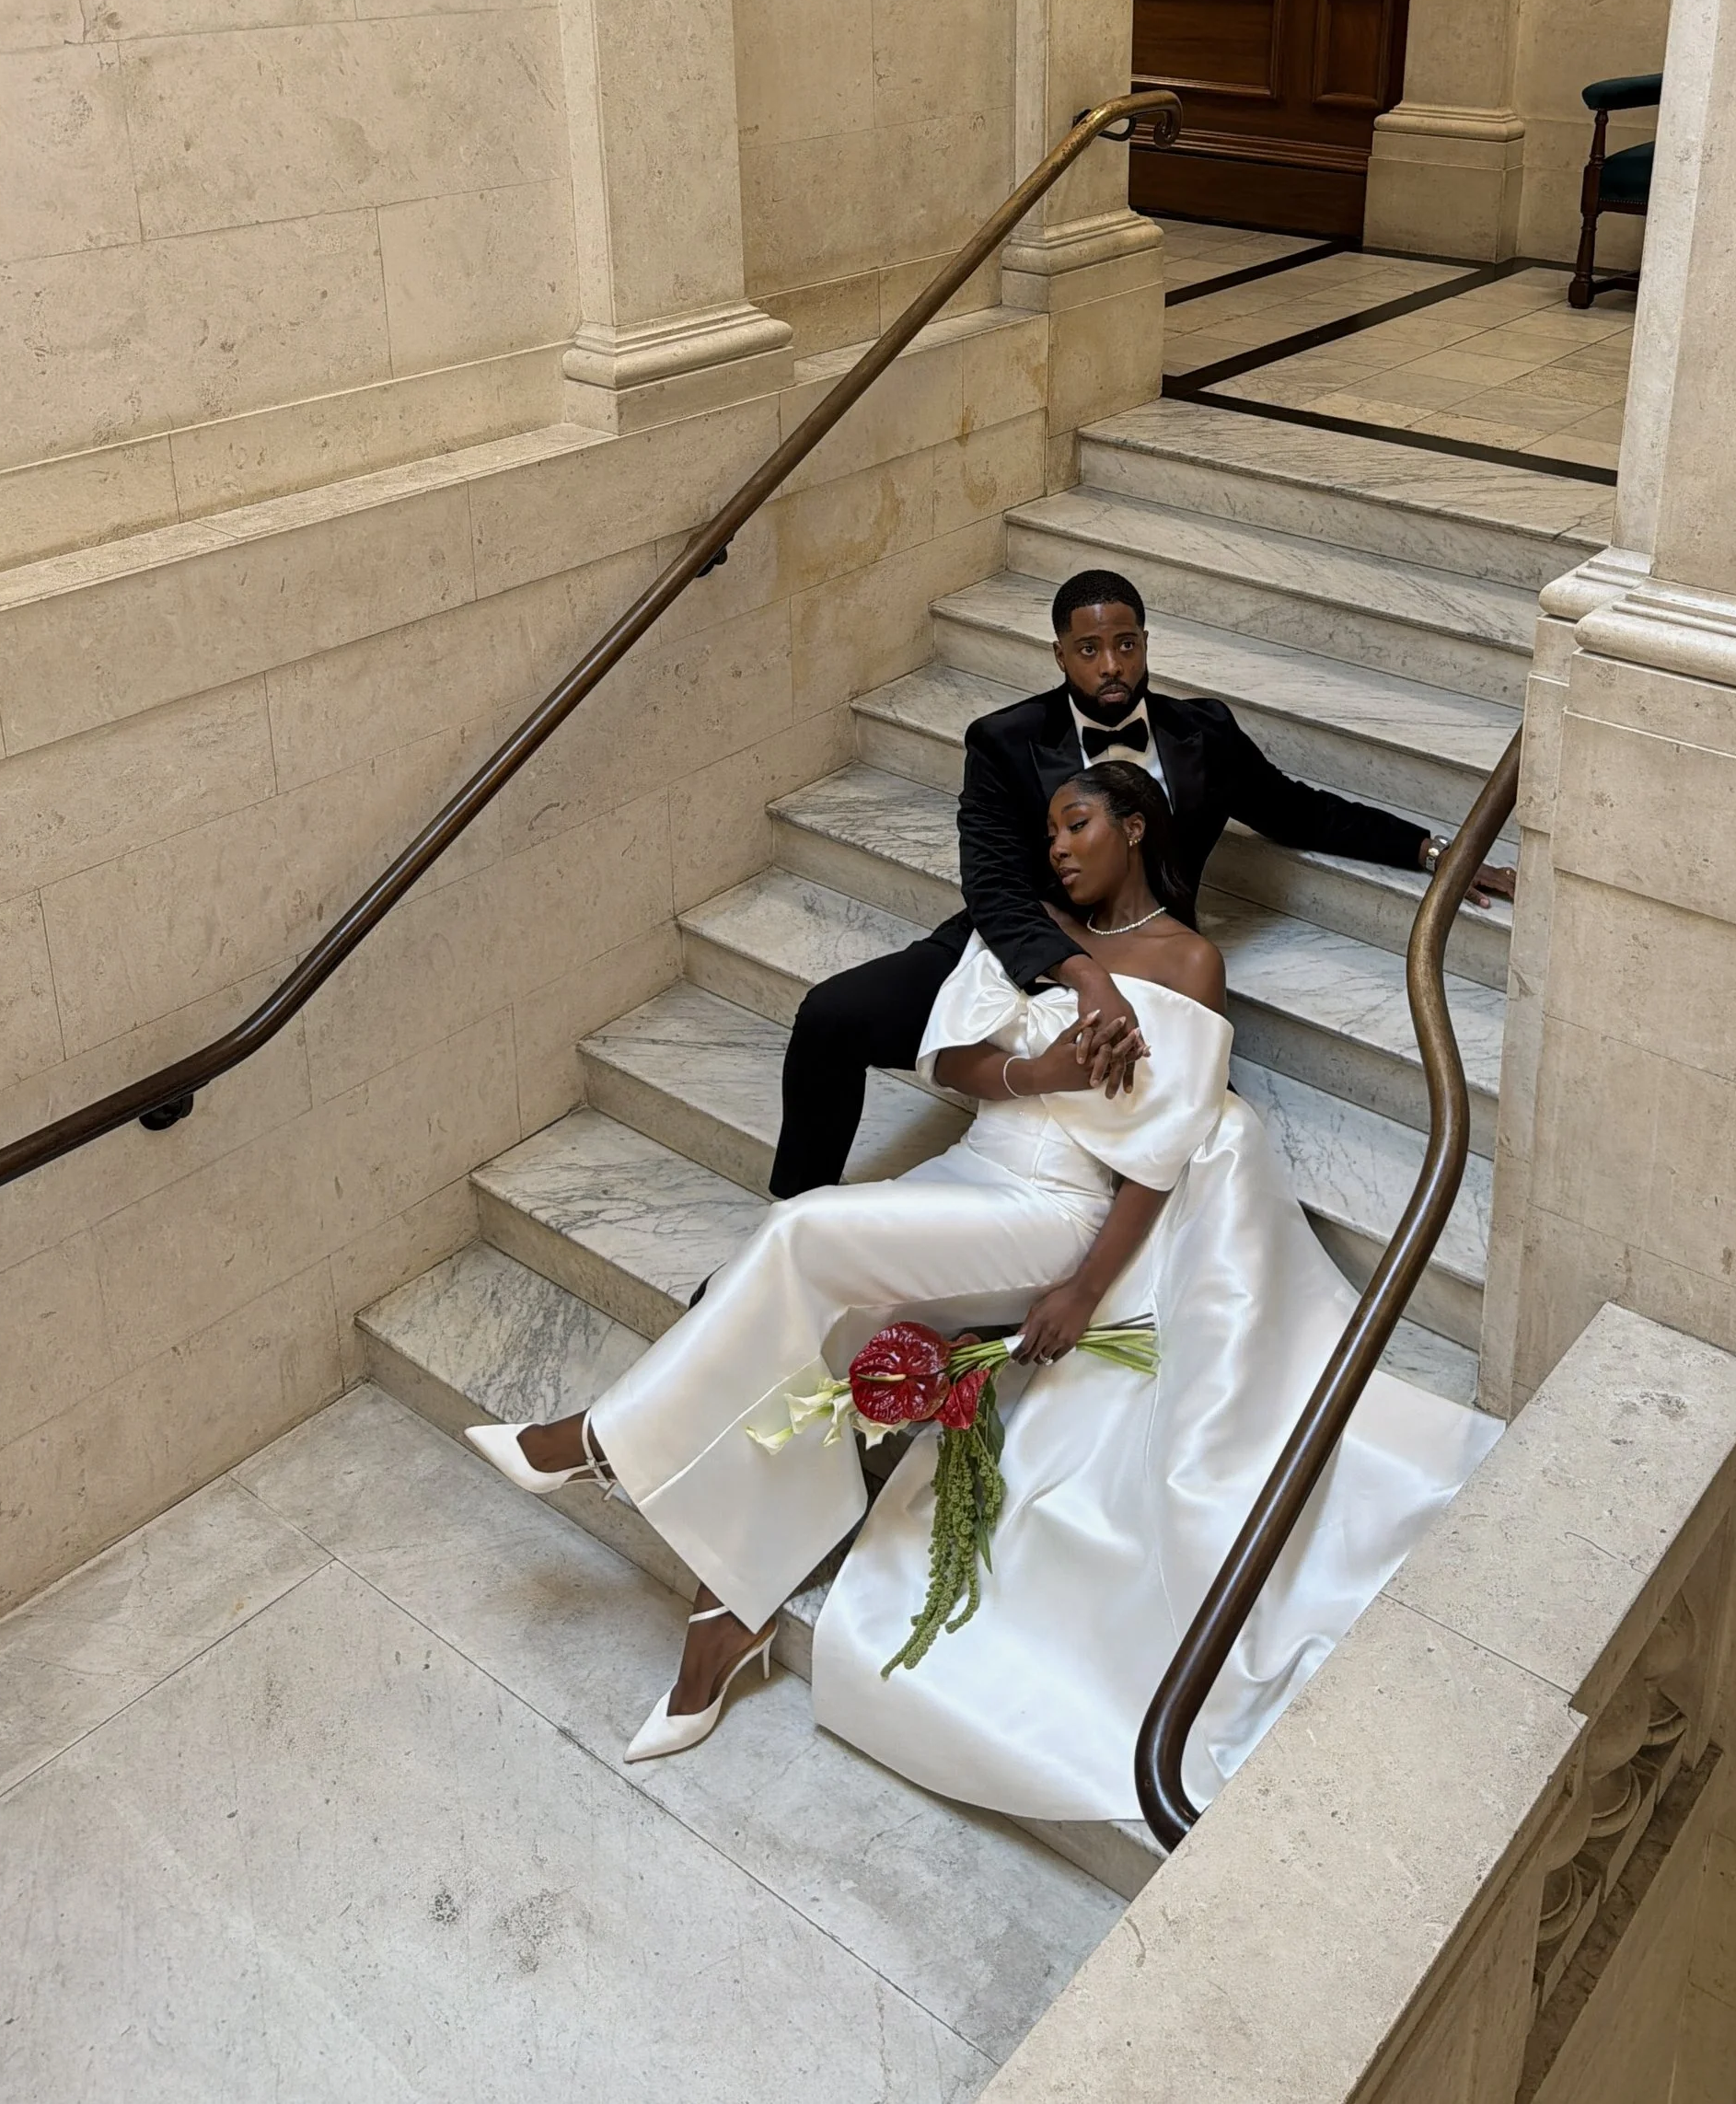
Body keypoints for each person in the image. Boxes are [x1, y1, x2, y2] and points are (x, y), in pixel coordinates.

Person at [465, 763, 1499, 1811]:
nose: (1058, 846)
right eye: (1050, 828)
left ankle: (602, 1439)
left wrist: (1084, 1291)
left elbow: (1160, 1156)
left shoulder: (1187, 962)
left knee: (801, 1231)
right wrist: (1035, 1073)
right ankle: (724, 1625)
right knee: (815, 1330)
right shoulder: (1032, 931)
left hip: (1053, 1212)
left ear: (1133, 829)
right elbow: (949, 1064)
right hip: (972, 1171)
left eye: (1078, 822)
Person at [768, 566, 1512, 1199]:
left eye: (1125, 644)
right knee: (831, 1016)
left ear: (1146, 643)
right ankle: (789, 1220)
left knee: (1197, 1147)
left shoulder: (1203, 734)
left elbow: (1295, 809)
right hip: (1018, 944)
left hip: (1143, 958)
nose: (1111, 665)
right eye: (1089, 649)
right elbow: (992, 884)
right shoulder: (1003, 741)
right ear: (1061, 655)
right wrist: (1079, 972)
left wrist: (1431, 849)